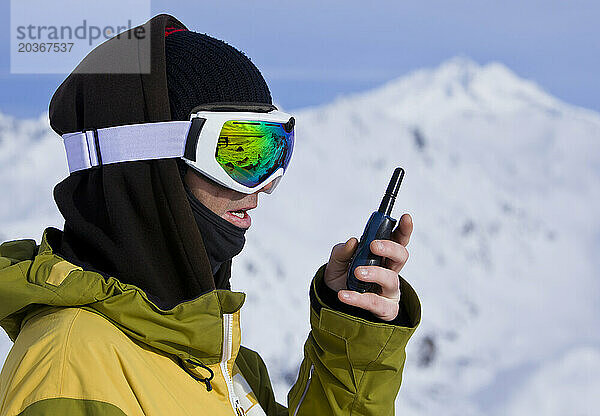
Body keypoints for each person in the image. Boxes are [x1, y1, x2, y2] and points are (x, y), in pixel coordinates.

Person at [0, 13, 421, 416]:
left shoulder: (217, 360)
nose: (259, 191)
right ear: (148, 166)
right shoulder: (71, 371)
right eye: (240, 154)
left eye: (274, 152)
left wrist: (352, 343)